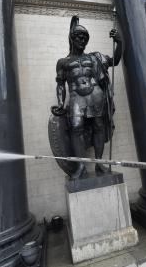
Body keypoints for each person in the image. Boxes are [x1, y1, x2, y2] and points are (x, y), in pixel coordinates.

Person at [52, 16, 122, 178]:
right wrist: (61, 103)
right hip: (76, 97)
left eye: (85, 37)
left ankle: (99, 164)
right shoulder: (63, 62)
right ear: (72, 38)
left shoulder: (94, 57)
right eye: (79, 36)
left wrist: (119, 42)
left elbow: (115, 61)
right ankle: (81, 166)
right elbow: (60, 84)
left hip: (95, 95)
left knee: (99, 126)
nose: (82, 40)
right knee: (76, 128)